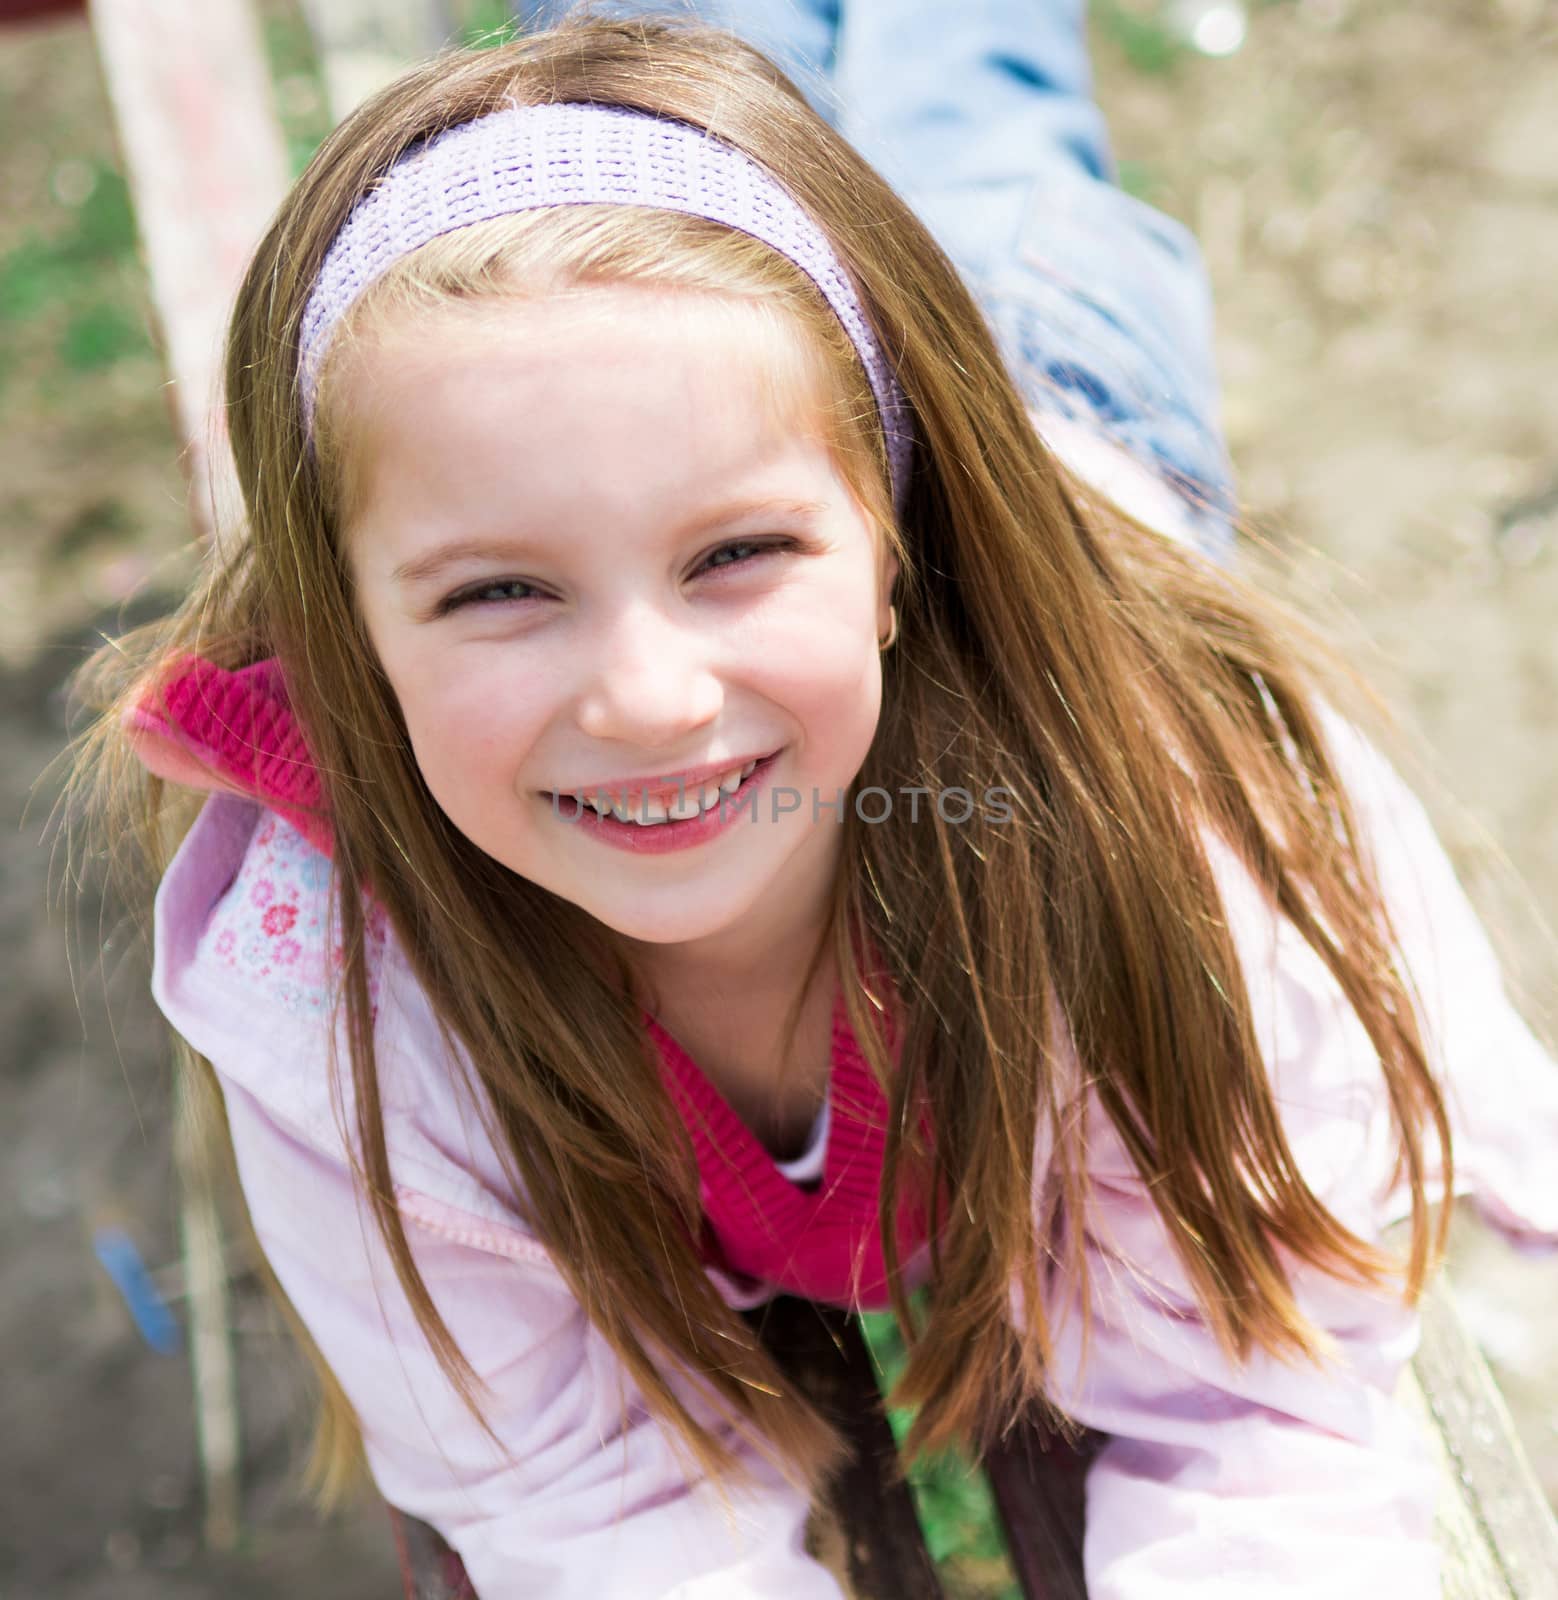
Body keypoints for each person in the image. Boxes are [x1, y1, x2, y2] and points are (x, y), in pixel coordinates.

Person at [66, 5, 1558, 1597]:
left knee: (965, 79)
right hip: (808, 342)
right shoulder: (336, 991)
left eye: (735, 555)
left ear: (899, 557)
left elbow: (1261, 1398)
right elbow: (574, 1496)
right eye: (501, 588)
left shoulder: (1140, 833)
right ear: (347, 642)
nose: (647, 698)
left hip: (1041, 339)